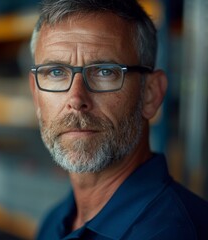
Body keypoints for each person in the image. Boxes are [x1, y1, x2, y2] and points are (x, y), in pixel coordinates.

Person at [28, 0, 208, 239]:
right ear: (36, 95)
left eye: (105, 72)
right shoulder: (54, 222)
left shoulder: (176, 232)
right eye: (56, 72)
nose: (76, 99)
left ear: (151, 94)